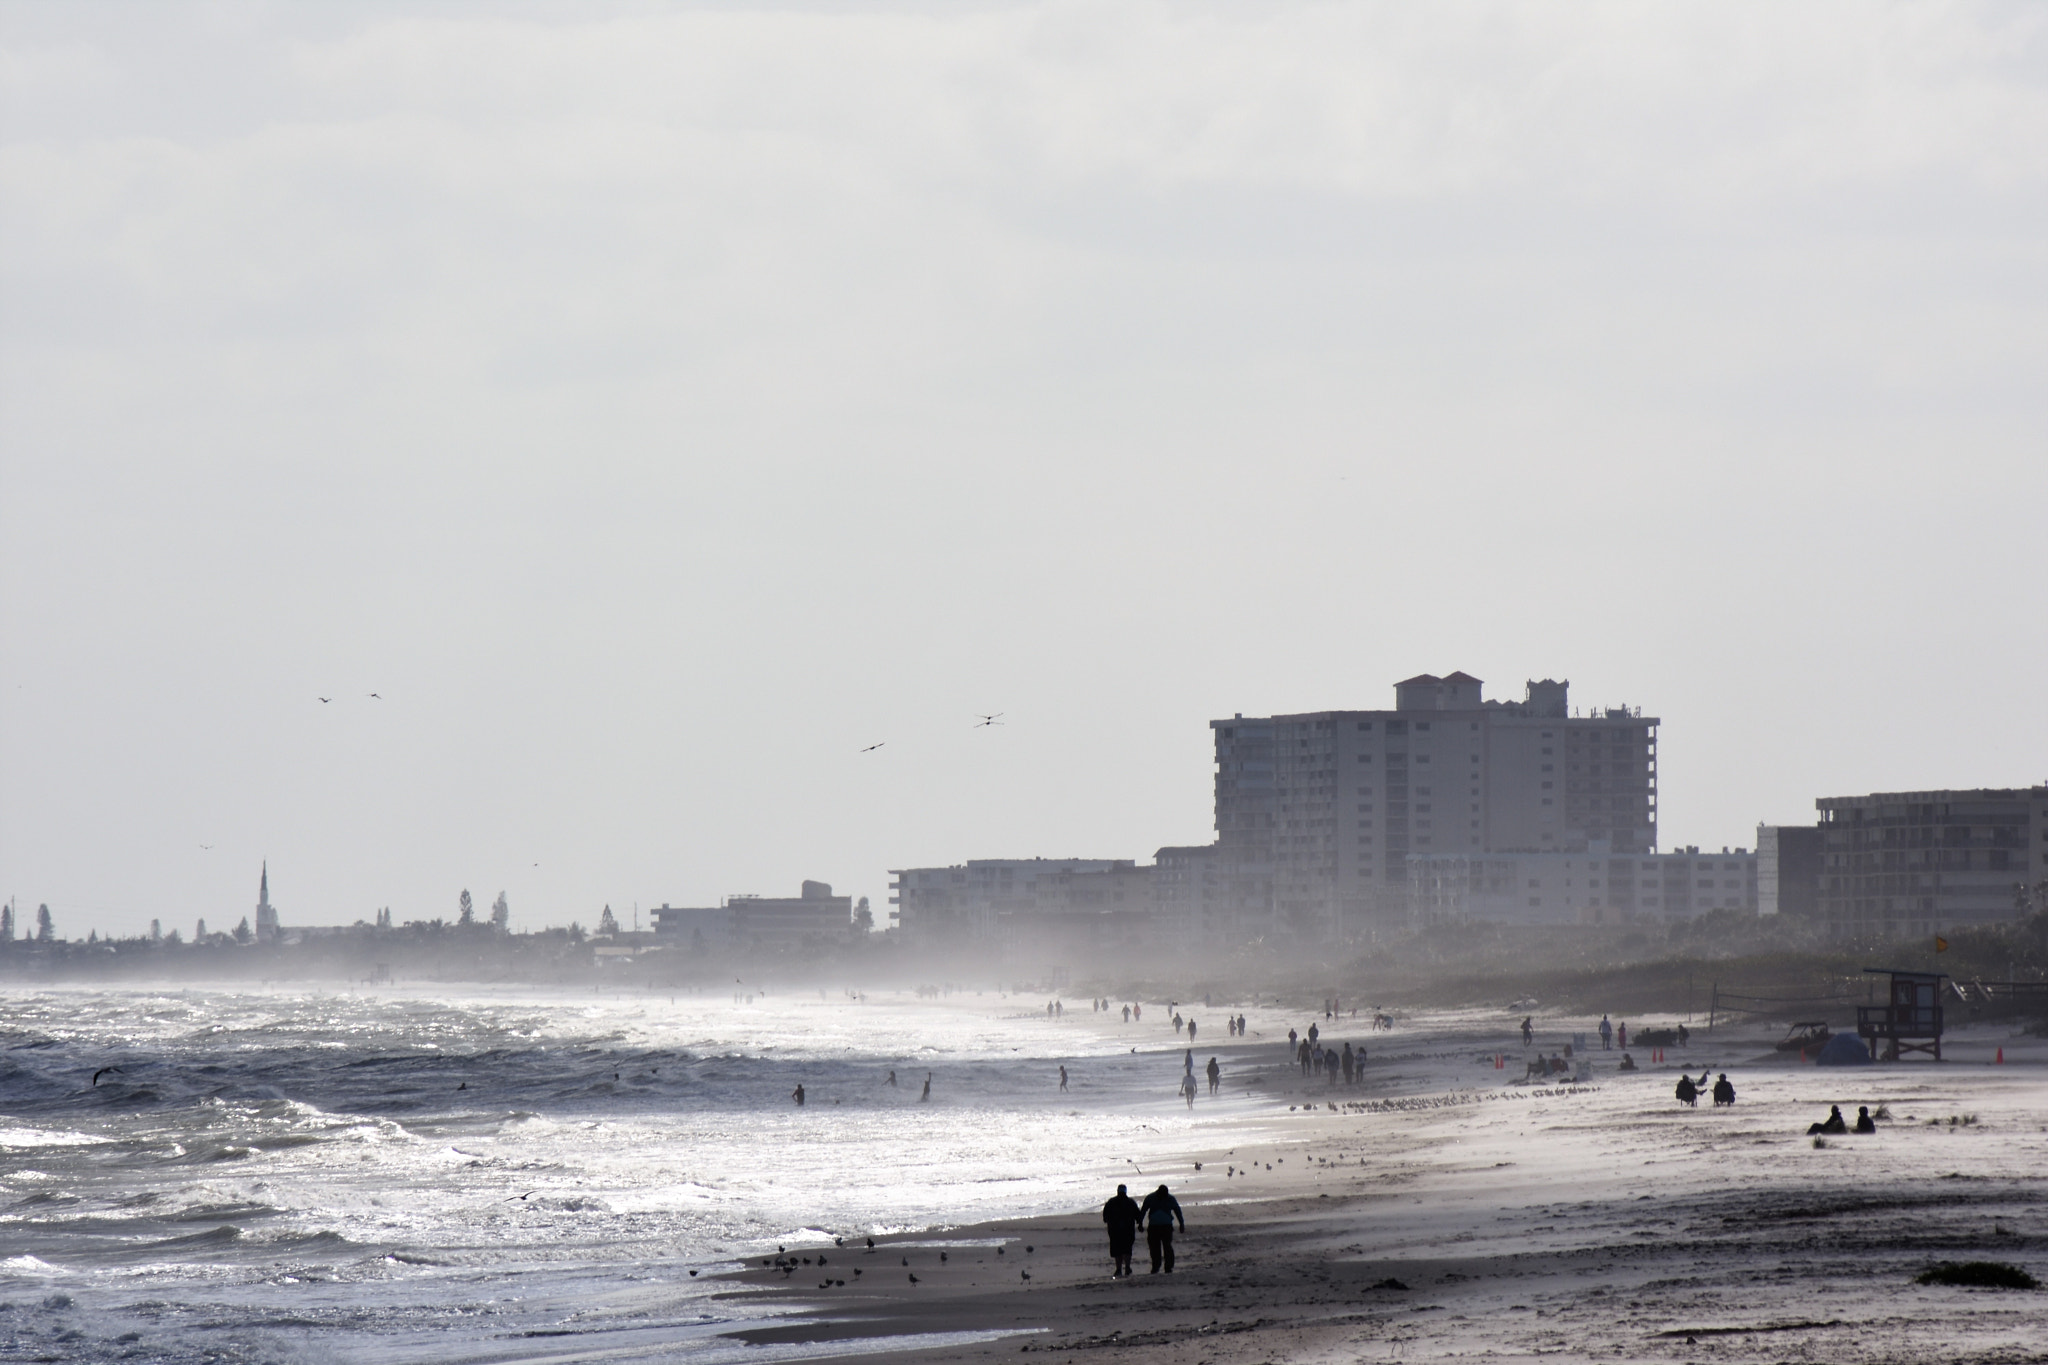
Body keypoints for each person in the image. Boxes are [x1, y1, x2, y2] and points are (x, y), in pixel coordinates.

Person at [1139, 1184, 1185, 1273]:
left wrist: (1181, 1223)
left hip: (1166, 1226)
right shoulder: (1151, 1198)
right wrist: (1140, 1222)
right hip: (1154, 1226)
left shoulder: (1170, 1198)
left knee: (1166, 1247)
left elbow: (1177, 1211)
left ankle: (1168, 1267)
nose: (1164, 1196)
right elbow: (1143, 1210)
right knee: (1155, 1248)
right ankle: (1156, 1266)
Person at [1102, 1184, 1142, 1278]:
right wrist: (1140, 1223)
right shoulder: (1130, 1202)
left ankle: (1119, 1269)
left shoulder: (1111, 1202)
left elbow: (1105, 1216)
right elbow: (1138, 1215)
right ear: (1125, 1191)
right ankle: (1127, 1267)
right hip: (1127, 1230)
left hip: (1115, 1230)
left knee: (1117, 1250)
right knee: (1127, 1249)